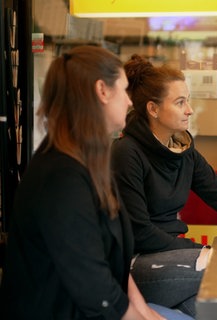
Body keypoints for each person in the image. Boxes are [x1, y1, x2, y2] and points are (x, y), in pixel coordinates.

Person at [0, 46, 189, 319]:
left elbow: (117, 269)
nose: (128, 101)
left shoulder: (91, 162)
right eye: (123, 91)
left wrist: (146, 313)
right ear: (102, 90)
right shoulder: (60, 178)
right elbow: (95, 289)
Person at [111, 54, 217, 318]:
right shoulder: (126, 153)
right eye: (180, 102)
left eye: (188, 100)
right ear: (153, 109)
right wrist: (201, 251)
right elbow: (139, 233)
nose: (189, 109)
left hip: (174, 255)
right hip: (135, 264)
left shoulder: (181, 147)